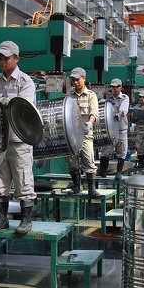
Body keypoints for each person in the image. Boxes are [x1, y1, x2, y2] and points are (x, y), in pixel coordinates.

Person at [0, 41, 36, 234]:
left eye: (6, 58)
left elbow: (21, 107)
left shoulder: (25, 82)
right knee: (0, 180)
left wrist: (1, 103)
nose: (2, 61)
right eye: (0, 58)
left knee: (23, 179)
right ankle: (1, 218)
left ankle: (26, 220)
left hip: (19, 139)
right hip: (0, 138)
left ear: (16, 58)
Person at [65, 67, 100, 198]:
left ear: (84, 78)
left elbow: (94, 112)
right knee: (72, 161)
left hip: (85, 134)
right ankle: (76, 186)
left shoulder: (91, 95)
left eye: (77, 79)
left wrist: (90, 122)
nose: (75, 82)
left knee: (88, 160)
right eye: (73, 80)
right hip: (71, 135)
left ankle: (91, 189)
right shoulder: (69, 97)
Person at [98, 78, 129, 180]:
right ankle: (102, 171)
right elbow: (100, 105)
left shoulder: (125, 98)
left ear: (121, 87)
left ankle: (119, 172)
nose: (115, 89)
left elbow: (123, 109)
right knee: (105, 150)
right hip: (110, 129)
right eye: (113, 87)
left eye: (117, 87)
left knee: (121, 151)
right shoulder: (108, 98)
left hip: (121, 129)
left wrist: (118, 114)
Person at [129, 91, 144, 168]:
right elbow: (132, 118)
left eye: (143, 97)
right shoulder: (136, 107)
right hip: (139, 128)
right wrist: (132, 117)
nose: (142, 98)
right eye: (140, 97)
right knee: (138, 146)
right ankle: (141, 163)